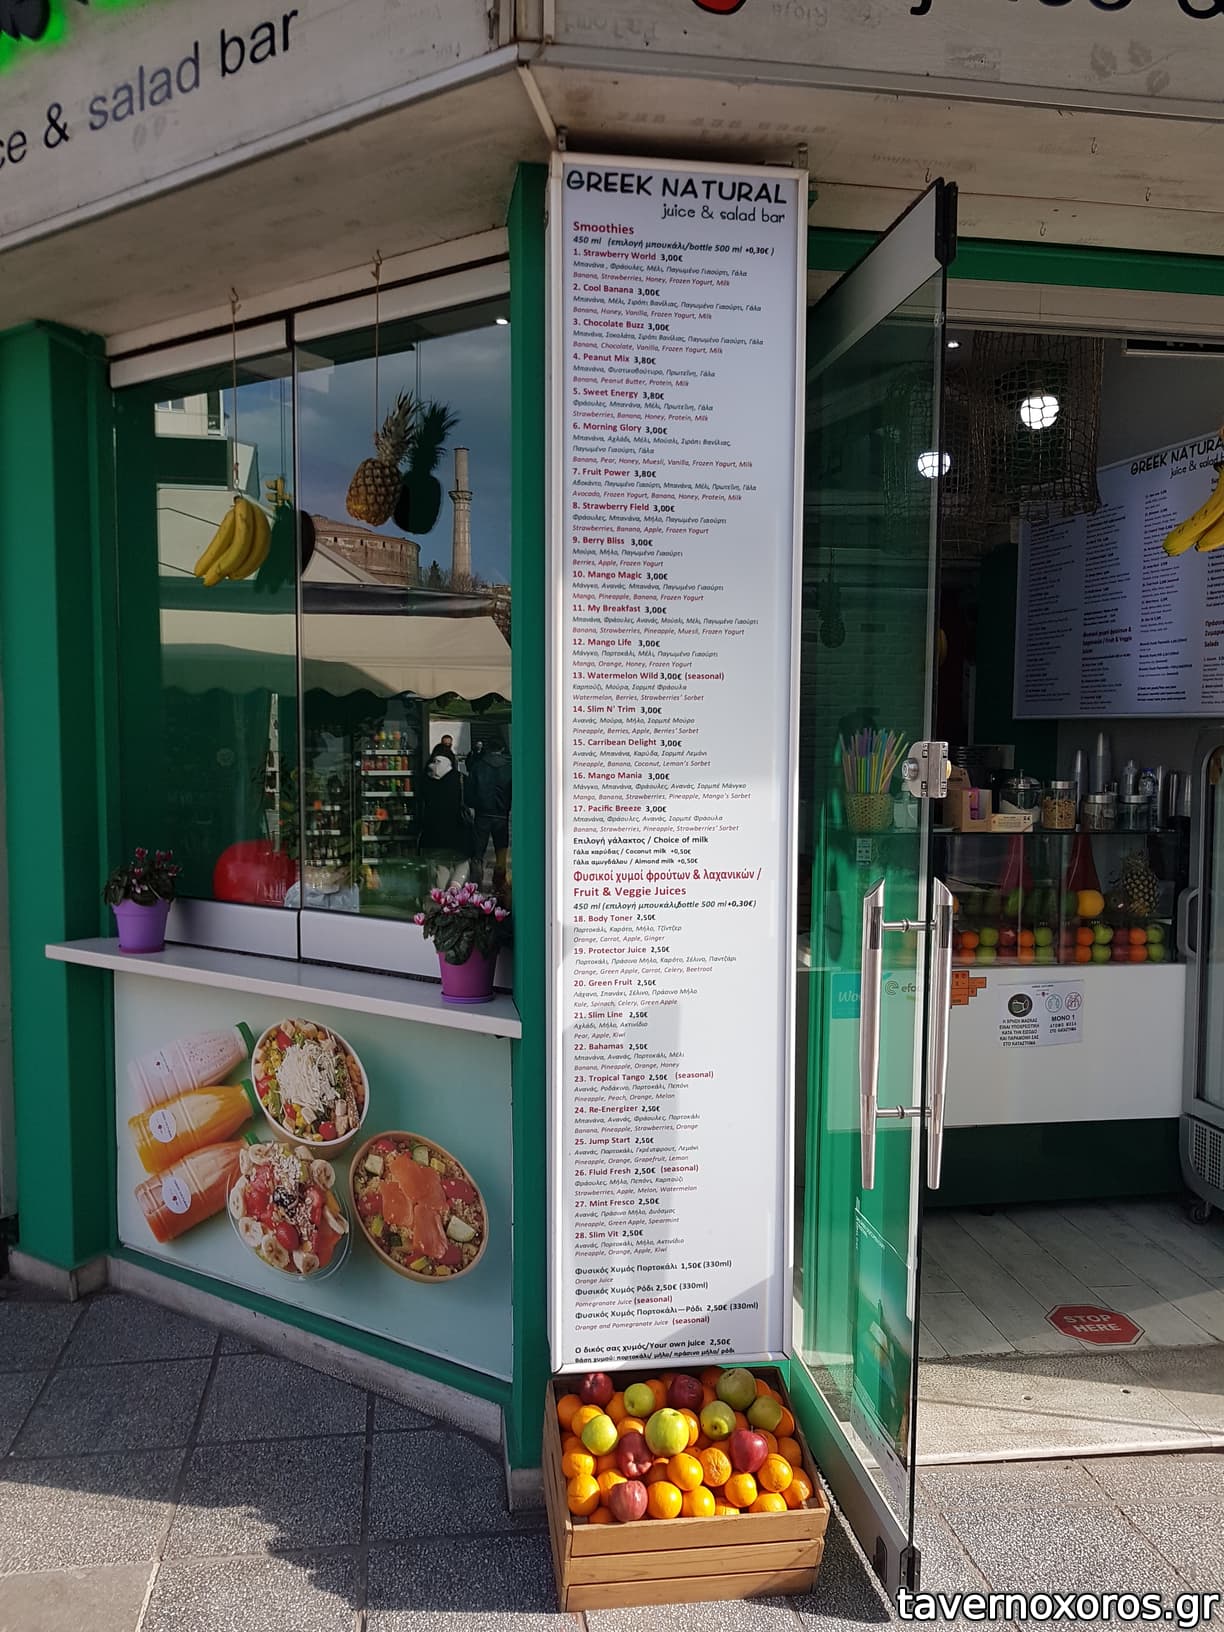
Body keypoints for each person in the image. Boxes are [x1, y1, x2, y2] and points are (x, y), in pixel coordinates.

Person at [466, 728, 512, 892]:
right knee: (501, 849)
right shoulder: (509, 767)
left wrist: (473, 805)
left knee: (478, 852)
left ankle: (475, 884)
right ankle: (499, 883)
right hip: (502, 814)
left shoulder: (478, 766)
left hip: (482, 813)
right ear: (502, 748)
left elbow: (469, 792)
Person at [418, 749, 470, 889]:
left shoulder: (425, 780)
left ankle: (440, 895)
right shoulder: (460, 778)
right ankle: (455, 887)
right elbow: (472, 800)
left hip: (433, 833)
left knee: (441, 867)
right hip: (458, 831)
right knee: (462, 863)